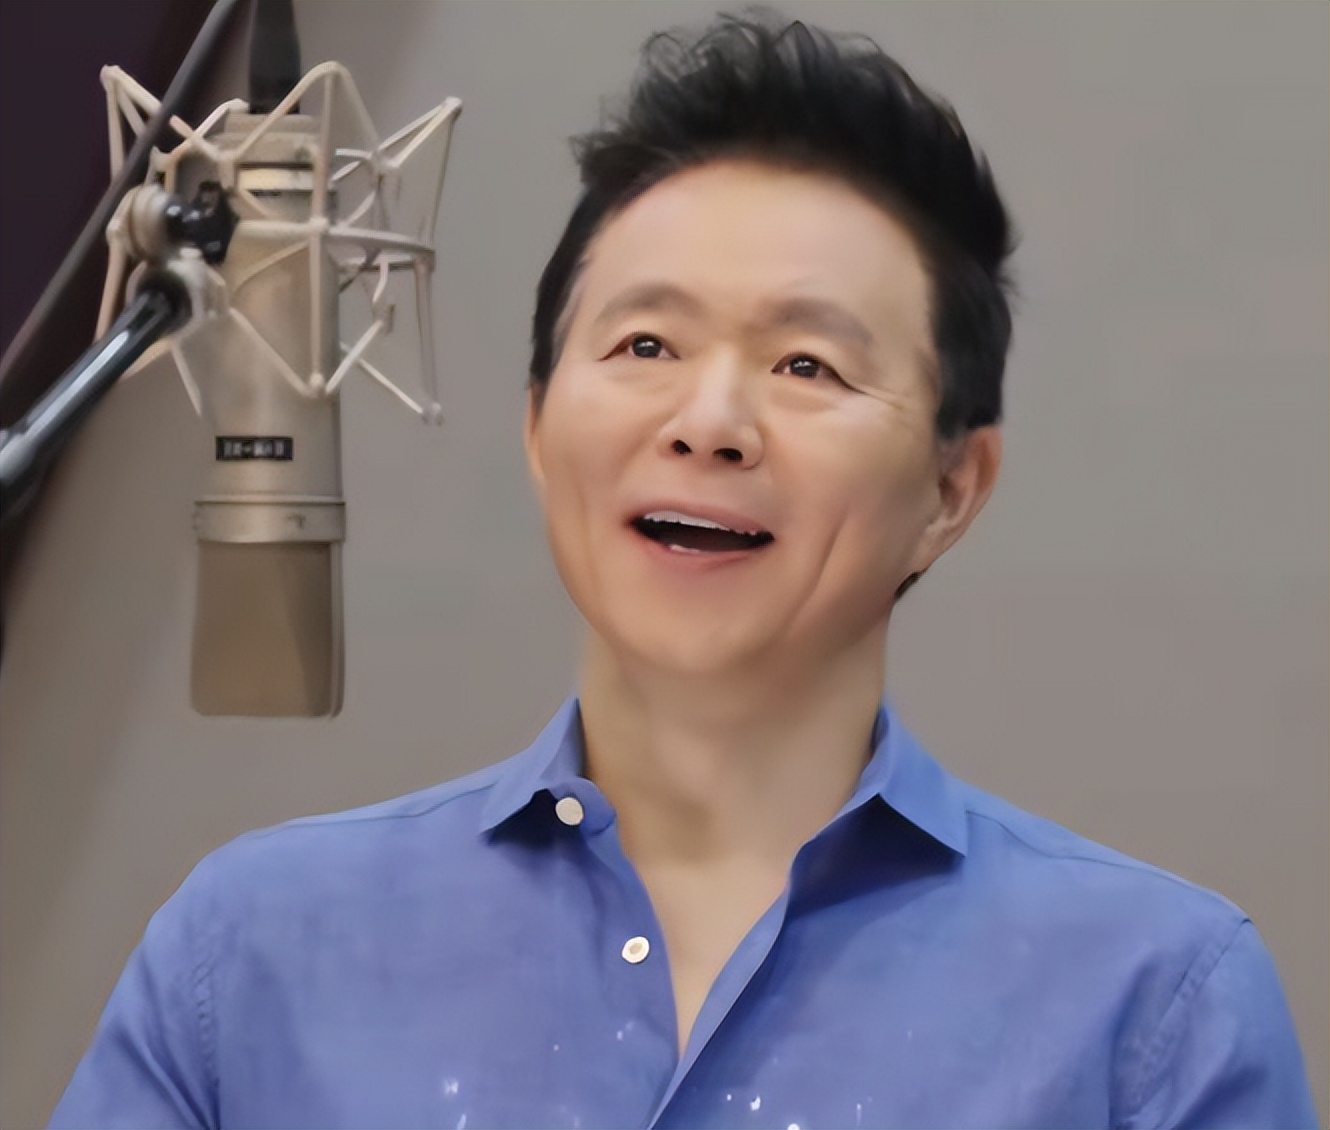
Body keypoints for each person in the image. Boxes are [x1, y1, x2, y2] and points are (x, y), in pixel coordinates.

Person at [51, 14, 1315, 1129]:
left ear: (951, 487)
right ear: (537, 425)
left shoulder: (1150, 1001)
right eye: (646, 344)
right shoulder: (254, 954)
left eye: (807, 365)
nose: (709, 422)